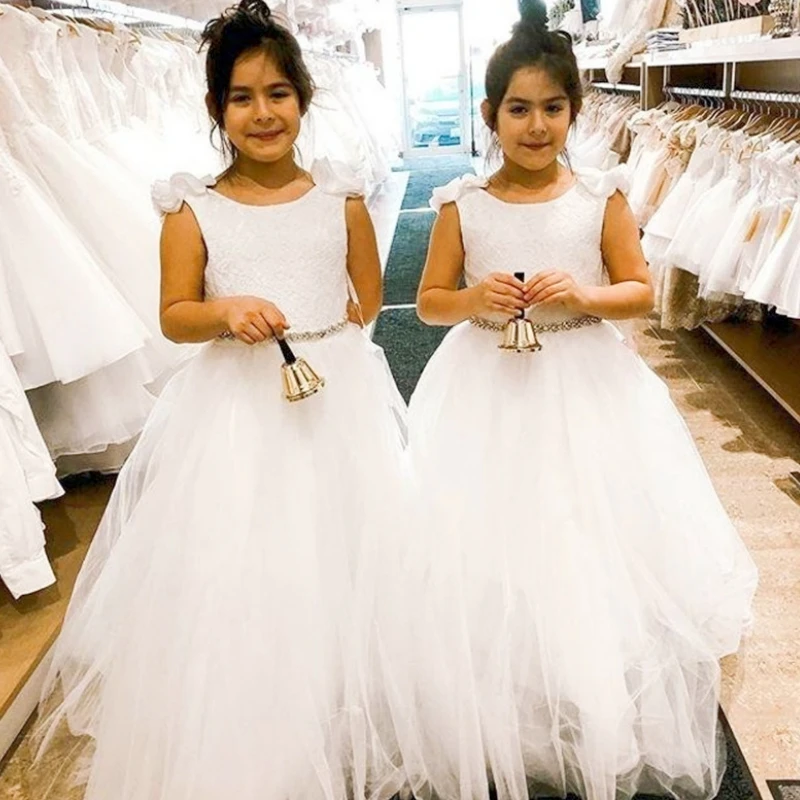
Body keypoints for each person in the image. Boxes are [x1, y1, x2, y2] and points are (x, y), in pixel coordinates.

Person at [32, 3, 407, 798]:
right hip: (236, 410)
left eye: (278, 92)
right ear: (215, 110)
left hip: (333, 395)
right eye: (241, 97)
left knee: (352, 554)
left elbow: (366, 299)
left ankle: (351, 701)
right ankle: (264, 721)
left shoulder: (339, 198)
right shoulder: (190, 207)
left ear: (304, 97)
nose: (263, 112)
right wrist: (227, 309)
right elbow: (174, 315)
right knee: (250, 565)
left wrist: (323, 337)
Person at [405, 1, 758, 798]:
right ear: (490, 113)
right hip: (487, 383)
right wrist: (473, 299)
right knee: (493, 534)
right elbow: (428, 300)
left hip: (586, 381)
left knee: (585, 527)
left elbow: (640, 291)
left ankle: (593, 673)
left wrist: (587, 296)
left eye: (554, 109)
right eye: (519, 109)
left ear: (576, 110)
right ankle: (506, 679)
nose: (537, 127)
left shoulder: (602, 193)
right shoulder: (462, 200)